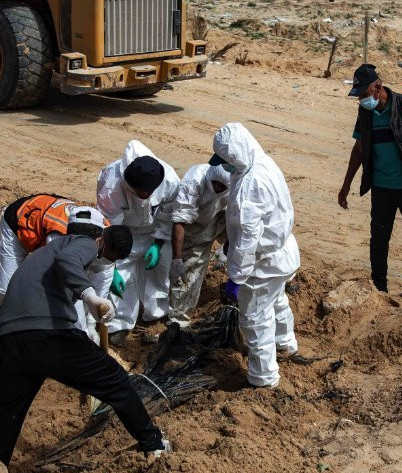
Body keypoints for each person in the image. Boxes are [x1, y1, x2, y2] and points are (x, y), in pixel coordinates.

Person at [0, 223, 170, 465]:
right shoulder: (83, 243)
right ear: (102, 239)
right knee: (117, 380)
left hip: (11, 342)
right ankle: (154, 445)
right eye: (105, 256)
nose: (102, 260)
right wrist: (90, 297)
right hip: (47, 336)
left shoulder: (44, 256)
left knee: (9, 413)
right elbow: (67, 261)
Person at [339, 64, 402, 304]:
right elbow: (359, 148)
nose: (362, 100)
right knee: (379, 238)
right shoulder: (365, 114)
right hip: (382, 187)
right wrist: (346, 185)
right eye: (359, 96)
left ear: (378, 87)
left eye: (364, 94)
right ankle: (379, 287)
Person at [213, 123, 301, 388]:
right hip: (283, 252)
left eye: (227, 160)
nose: (225, 166)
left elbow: (247, 239)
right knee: (276, 300)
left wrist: (236, 277)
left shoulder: (251, 185)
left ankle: (263, 377)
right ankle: (285, 343)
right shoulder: (262, 162)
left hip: (264, 263)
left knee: (254, 318)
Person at [0, 196, 111, 343]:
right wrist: (80, 333)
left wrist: (91, 323)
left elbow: (103, 277)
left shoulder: (108, 237)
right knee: (4, 287)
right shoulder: (59, 238)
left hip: (45, 221)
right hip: (19, 224)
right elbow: (66, 284)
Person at [96, 141, 180, 342]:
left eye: (148, 193)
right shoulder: (111, 186)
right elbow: (110, 230)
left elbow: (168, 214)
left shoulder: (169, 180)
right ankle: (120, 324)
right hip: (125, 231)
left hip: (155, 230)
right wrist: (112, 268)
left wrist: (158, 243)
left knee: (160, 271)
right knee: (123, 276)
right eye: (139, 193)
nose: (144, 196)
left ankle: (156, 315)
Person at [167, 163, 231, 326]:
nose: (217, 188)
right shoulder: (194, 182)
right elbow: (180, 221)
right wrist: (177, 259)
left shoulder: (236, 183)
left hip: (221, 216)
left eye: (222, 187)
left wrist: (228, 247)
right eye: (215, 184)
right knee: (191, 266)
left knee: (243, 247)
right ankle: (179, 316)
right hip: (194, 223)